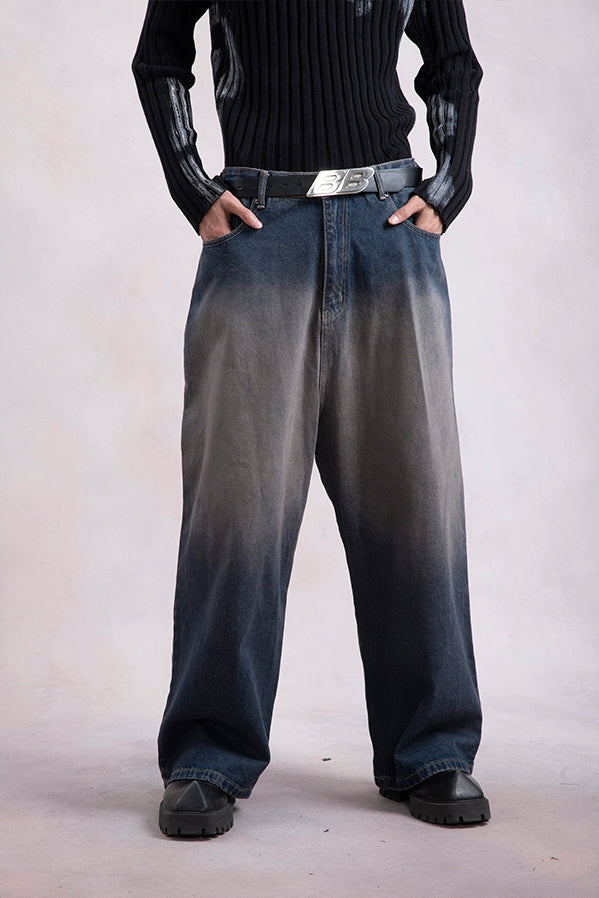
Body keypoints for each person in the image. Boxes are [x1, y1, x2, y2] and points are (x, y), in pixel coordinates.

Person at [132, 0, 490, 838]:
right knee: (237, 505)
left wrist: (447, 185)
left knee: (415, 497)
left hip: (388, 228)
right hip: (259, 229)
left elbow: (451, 61)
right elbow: (160, 57)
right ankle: (208, 755)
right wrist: (192, 187)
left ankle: (431, 748)